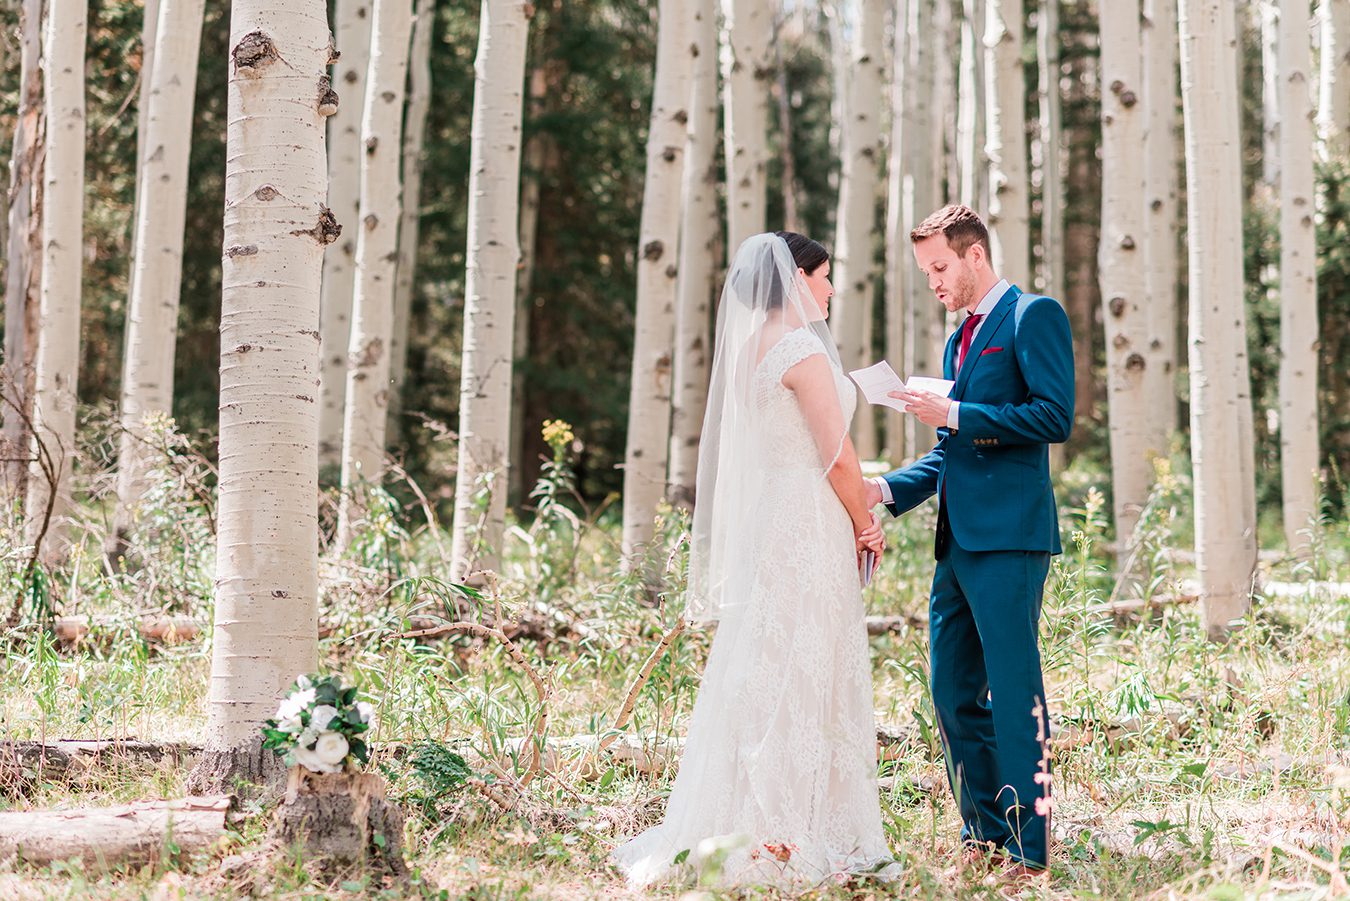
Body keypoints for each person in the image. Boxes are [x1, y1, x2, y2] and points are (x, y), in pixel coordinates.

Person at [613, 232, 895, 890]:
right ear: (797, 277)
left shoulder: (748, 351)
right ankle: (787, 830)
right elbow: (838, 455)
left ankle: (762, 814)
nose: (830, 289)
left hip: (775, 513)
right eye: (824, 276)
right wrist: (865, 521)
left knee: (769, 662)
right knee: (802, 664)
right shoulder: (800, 349)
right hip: (809, 519)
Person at [866, 204, 1073, 879]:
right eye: (926, 270)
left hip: (1011, 539)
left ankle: (1028, 848)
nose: (933, 281)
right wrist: (887, 490)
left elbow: (1052, 414)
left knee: (1015, 692)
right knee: (952, 690)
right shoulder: (961, 339)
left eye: (939, 267)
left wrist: (954, 410)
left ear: (974, 254)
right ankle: (981, 834)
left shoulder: (1032, 316)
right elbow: (952, 449)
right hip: (956, 543)